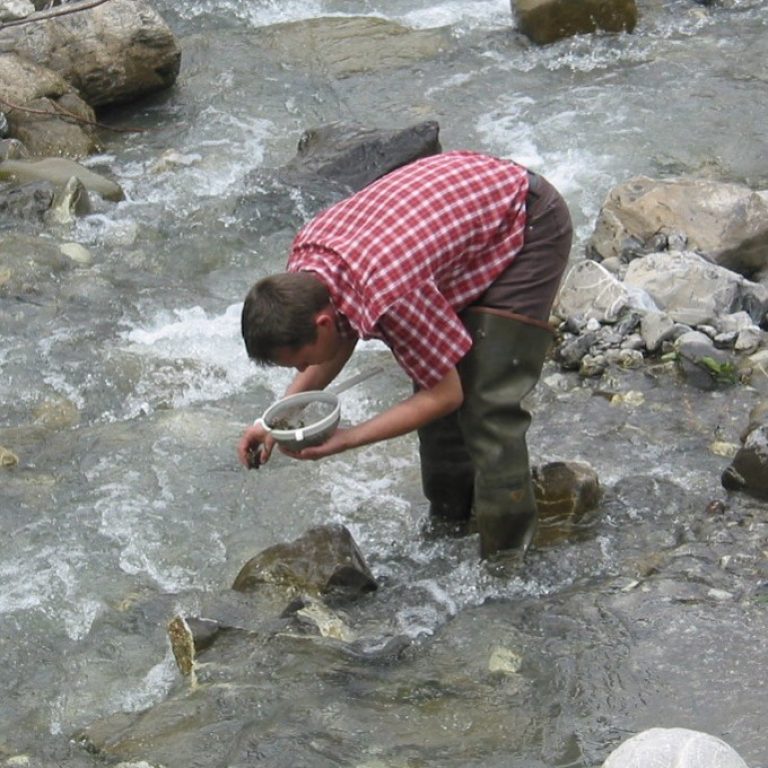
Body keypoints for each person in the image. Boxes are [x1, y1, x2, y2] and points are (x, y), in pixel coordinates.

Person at [237, 150, 572, 560]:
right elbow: (339, 338)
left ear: (320, 322)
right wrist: (273, 420)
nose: (305, 370)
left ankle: (505, 564)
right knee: (436, 401)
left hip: (524, 222)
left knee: (485, 404)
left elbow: (444, 395)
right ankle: (449, 527)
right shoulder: (305, 270)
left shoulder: (390, 295)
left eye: (299, 361)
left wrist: (348, 440)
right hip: (454, 229)